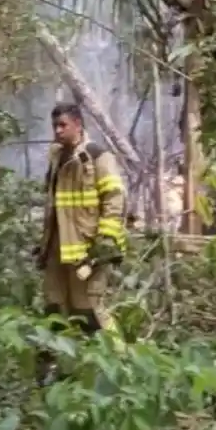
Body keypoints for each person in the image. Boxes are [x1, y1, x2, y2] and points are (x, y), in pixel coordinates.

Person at [37, 103, 128, 338]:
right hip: (58, 249)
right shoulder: (56, 158)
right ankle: (63, 365)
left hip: (87, 250)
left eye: (63, 125)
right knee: (55, 308)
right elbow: (54, 206)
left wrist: (105, 240)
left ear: (78, 124)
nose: (58, 131)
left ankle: (119, 364)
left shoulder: (97, 156)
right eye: (55, 126)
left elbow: (114, 198)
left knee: (89, 310)